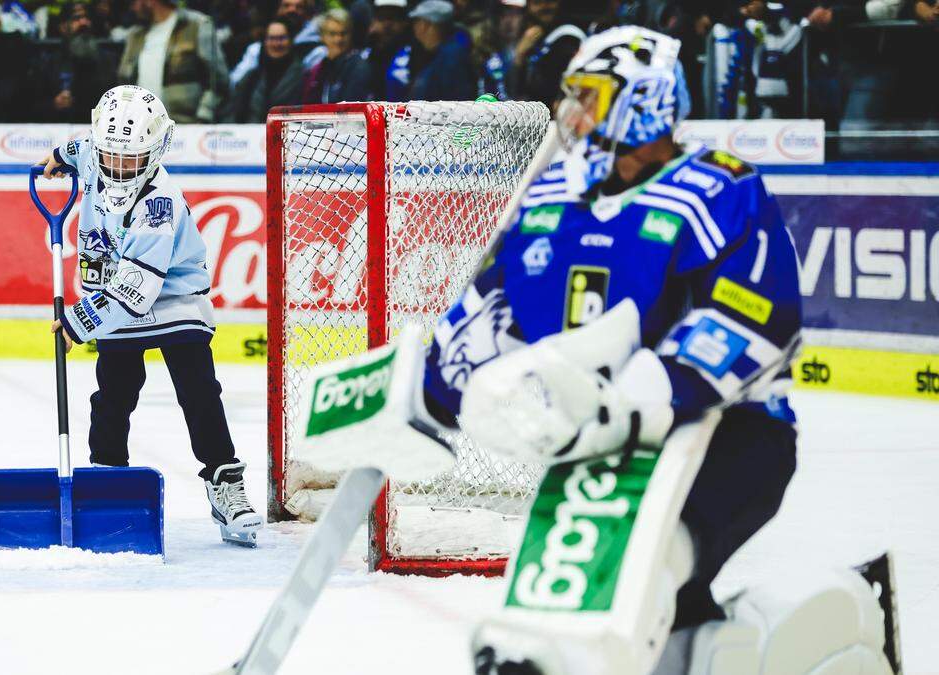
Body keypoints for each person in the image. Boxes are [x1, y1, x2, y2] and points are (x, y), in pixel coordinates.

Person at [405, 26, 894, 675]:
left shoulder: (718, 188)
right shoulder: (555, 198)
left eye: (593, 98)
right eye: (573, 96)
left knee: (639, 581)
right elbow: (497, 309)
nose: (574, 114)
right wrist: (428, 385)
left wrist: (643, 392)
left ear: (646, 103)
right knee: (673, 637)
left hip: (725, 439)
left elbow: (754, 315)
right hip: (596, 456)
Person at [40, 85, 265, 548]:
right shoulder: (97, 154)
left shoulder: (158, 202)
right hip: (115, 299)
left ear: (155, 151)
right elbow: (80, 150)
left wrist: (79, 325)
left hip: (172, 299)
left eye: (131, 159)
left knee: (199, 392)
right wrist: (58, 156)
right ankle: (107, 482)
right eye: (110, 156)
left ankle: (225, 485)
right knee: (113, 398)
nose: (118, 168)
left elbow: (136, 293)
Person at [116, 0, 228, 124]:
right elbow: (124, 83)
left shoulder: (197, 25)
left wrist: (203, 117)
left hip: (186, 127)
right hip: (143, 129)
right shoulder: (135, 36)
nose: (132, 7)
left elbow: (218, 81)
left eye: (134, 2)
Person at [385, 0, 477, 101]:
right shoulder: (438, 55)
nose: (414, 27)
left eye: (416, 21)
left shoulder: (452, 58)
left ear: (426, 25)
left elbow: (456, 102)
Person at [33, 1, 109, 123]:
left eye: (87, 18)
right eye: (76, 18)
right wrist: (54, 104)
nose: (84, 23)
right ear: (63, 27)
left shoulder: (106, 61)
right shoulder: (49, 63)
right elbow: (32, 105)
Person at [225, 18, 303, 123]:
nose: (276, 44)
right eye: (271, 38)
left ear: (291, 40)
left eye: (281, 38)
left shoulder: (304, 76)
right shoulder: (251, 77)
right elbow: (233, 112)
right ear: (265, 41)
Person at [302, 8, 370, 104]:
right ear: (322, 36)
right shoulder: (318, 69)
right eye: (332, 34)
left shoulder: (358, 67)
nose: (338, 40)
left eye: (343, 34)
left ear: (351, 35)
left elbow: (351, 110)